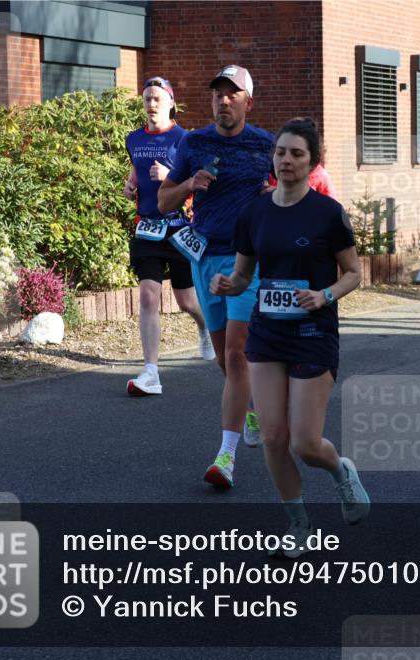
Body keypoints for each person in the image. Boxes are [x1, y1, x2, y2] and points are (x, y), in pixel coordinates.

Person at [210, 118, 368, 556]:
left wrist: (325, 295)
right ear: (273, 157)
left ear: (312, 161)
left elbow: (354, 272)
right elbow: (243, 276)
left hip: (313, 334)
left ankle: (339, 471)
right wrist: (227, 285)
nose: (287, 160)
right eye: (281, 152)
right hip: (267, 335)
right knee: (274, 437)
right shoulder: (254, 213)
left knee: (304, 442)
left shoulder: (327, 213)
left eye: (297, 154)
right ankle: (299, 523)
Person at [158, 65, 274, 487]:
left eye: (232, 95)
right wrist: (189, 182)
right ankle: (253, 410)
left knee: (239, 353)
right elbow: (163, 199)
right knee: (227, 359)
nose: (223, 101)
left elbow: (293, 190)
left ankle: (225, 457)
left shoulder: (266, 145)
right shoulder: (193, 143)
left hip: (249, 260)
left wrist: (273, 197)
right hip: (206, 259)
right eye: (217, 95)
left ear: (248, 102)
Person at [124, 76, 215, 396]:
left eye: (157, 99)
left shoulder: (185, 140)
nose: (150, 104)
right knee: (149, 295)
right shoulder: (133, 138)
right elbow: (136, 166)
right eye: (146, 99)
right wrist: (131, 183)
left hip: (179, 227)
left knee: (186, 300)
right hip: (147, 226)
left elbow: (203, 178)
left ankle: (205, 327)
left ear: (171, 103)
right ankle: (151, 372)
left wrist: (169, 177)